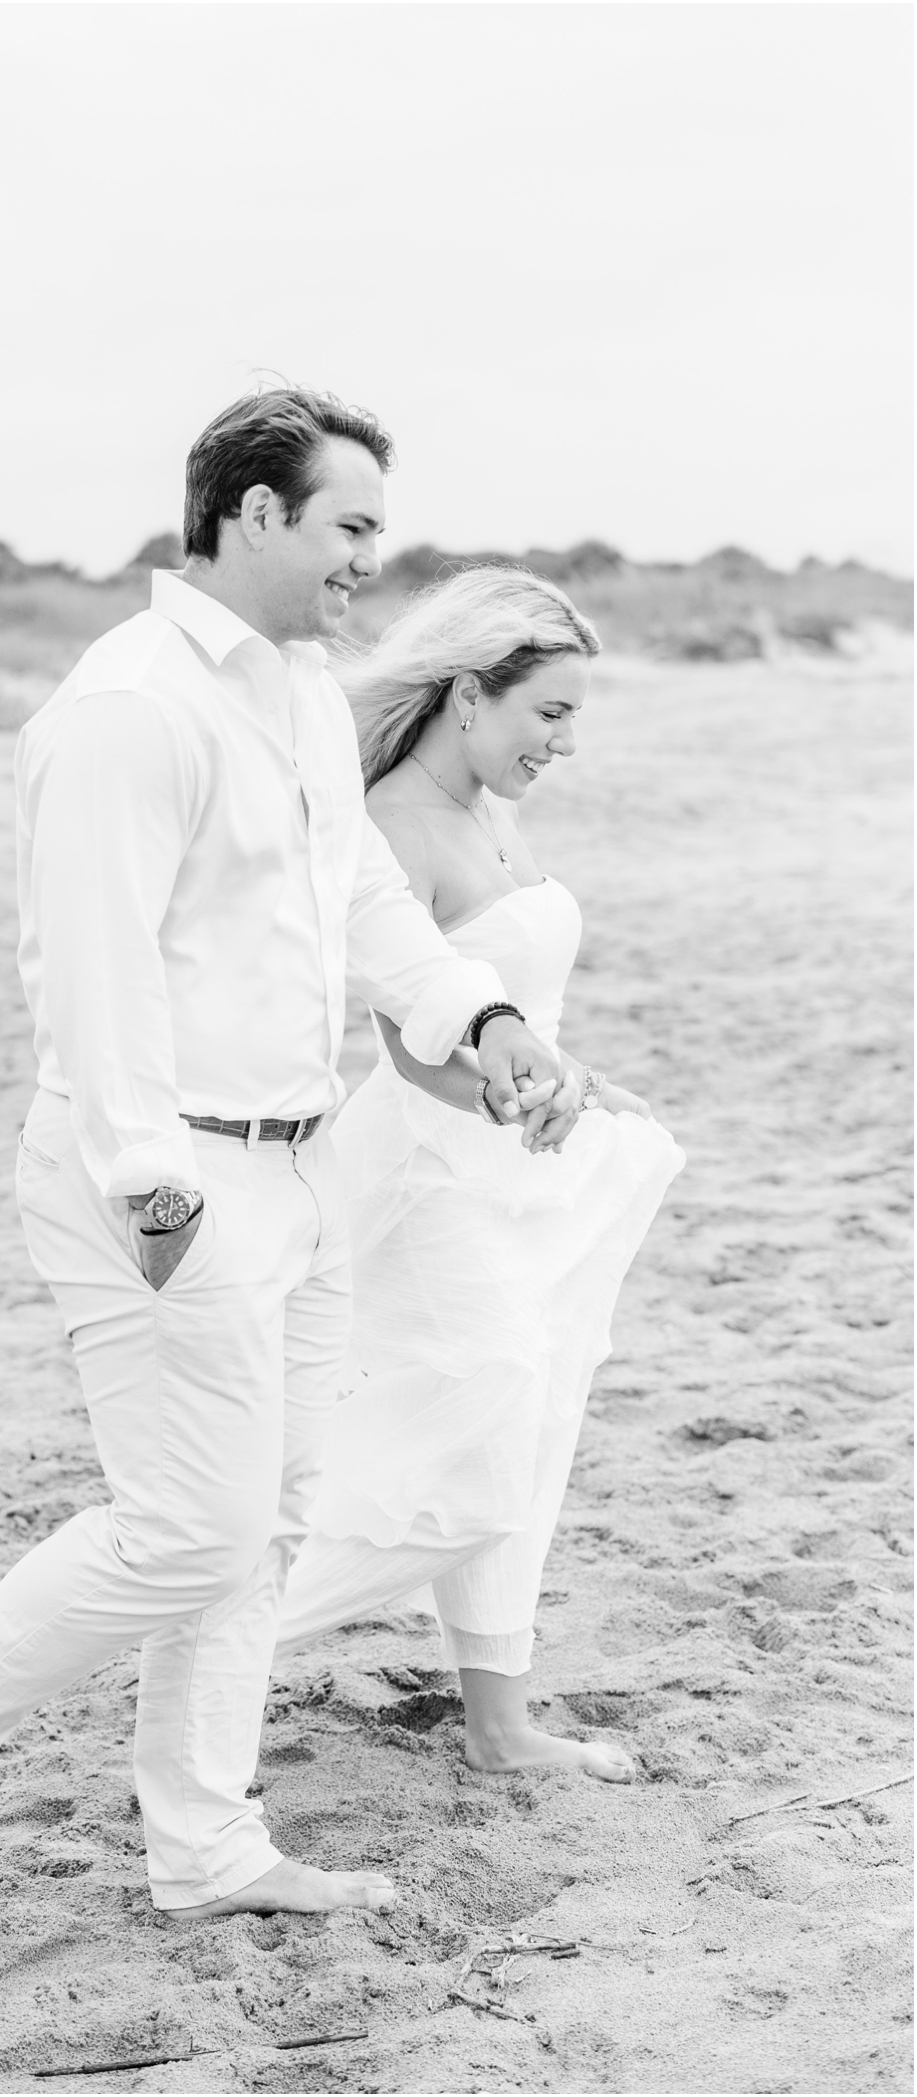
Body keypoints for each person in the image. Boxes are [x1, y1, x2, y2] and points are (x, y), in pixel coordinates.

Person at [0, 390, 566, 1915]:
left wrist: (483, 1014)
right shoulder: (129, 705)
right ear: (254, 515)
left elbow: (366, 906)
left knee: (268, 1530)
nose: (370, 561)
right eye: (349, 526)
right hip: (165, 1176)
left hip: (299, 1162)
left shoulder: (306, 694)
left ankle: (204, 1846)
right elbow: (93, 963)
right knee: (195, 1527)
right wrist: (148, 1182)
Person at [276, 565, 686, 1782]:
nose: (562, 743)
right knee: (477, 1412)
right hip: (430, 1178)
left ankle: (500, 1723)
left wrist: (568, 1077)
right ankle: (229, 1636)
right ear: (467, 696)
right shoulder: (395, 821)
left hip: (520, 1165)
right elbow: (410, 1051)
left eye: (573, 717)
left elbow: (514, 1002)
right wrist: (511, 1094)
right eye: (546, 714)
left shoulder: (491, 807)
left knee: (534, 1413)